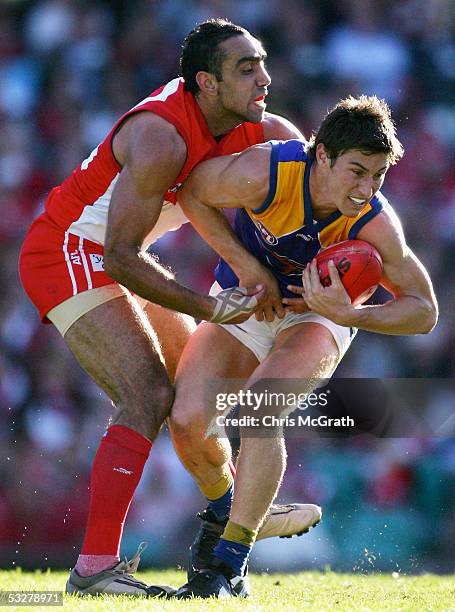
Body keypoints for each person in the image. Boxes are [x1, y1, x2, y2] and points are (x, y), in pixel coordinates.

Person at [18, 19, 321, 598]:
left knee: (195, 397)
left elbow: (318, 192)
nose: (266, 78)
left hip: (112, 256)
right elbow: (121, 257)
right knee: (149, 395)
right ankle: (96, 569)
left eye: (262, 63)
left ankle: (238, 501)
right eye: (247, 69)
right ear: (206, 83)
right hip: (68, 253)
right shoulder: (160, 135)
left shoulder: (260, 131)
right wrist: (210, 309)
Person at [169, 95, 438, 598]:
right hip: (246, 302)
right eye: (357, 172)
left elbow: (425, 310)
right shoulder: (267, 171)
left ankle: (228, 568)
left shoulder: (375, 224)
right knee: (186, 422)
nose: (366, 189)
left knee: (257, 411)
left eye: (378, 176)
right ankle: (246, 507)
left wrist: (352, 314)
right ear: (322, 155)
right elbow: (191, 193)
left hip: (318, 319)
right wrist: (248, 268)